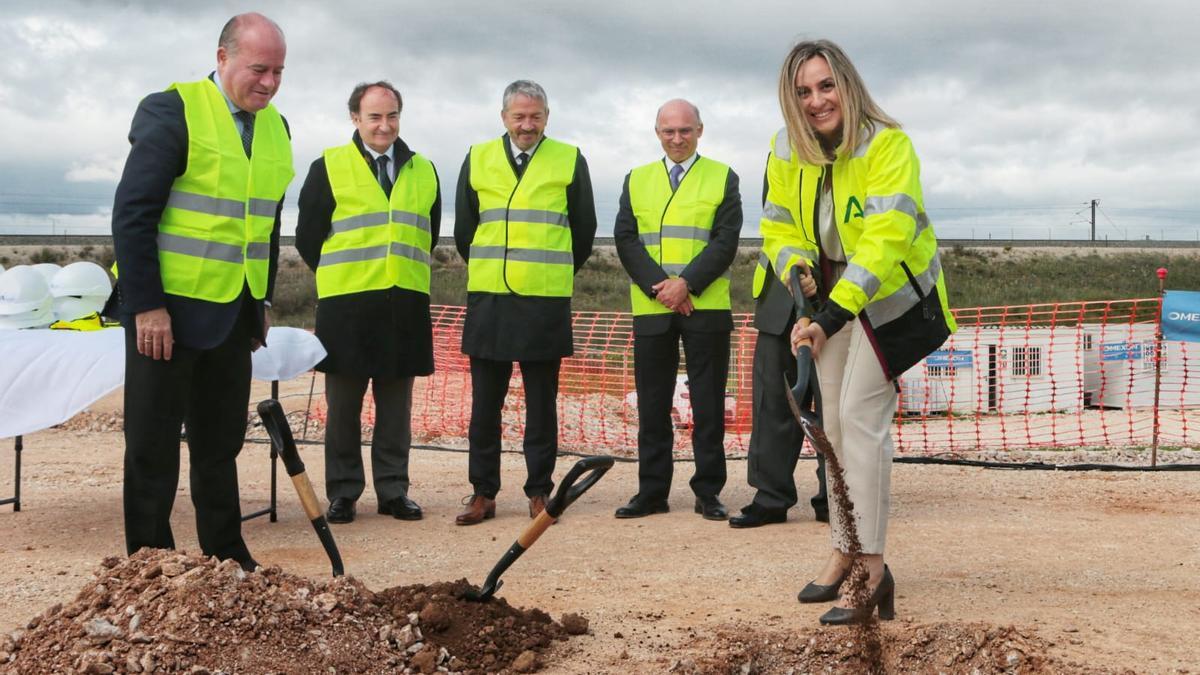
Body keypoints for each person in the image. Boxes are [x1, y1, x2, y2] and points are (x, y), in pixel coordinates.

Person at [759, 39, 955, 624]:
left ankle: (872, 568)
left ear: (847, 84)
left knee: (861, 422)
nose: (817, 101)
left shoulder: (886, 144)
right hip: (830, 298)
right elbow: (777, 224)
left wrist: (832, 315)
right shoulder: (784, 148)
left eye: (826, 86)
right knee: (835, 425)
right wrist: (795, 268)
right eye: (803, 91)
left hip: (889, 299)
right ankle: (844, 552)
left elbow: (886, 239)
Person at [111, 13, 293, 571]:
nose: (268, 82)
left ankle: (226, 553)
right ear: (222, 57)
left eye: (279, 72)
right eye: (258, 69)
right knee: (153, 447)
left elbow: (263, 224)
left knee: (220, 446)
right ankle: (149, 564)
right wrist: (146, 305)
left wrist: (259, 300)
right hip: (166, 315)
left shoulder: (276, 128)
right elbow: (132, 214)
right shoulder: (173, 110)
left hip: (233, 315)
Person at [295, 81, 440, 524]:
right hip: (348, 307)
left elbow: (427, 234)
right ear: (355, 119)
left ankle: (394, 491)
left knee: (396, 410)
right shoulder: (329, 166)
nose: (384, 125)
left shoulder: (425, 169)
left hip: (404, 304)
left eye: (392, 115)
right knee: (343, 409)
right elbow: (308, 238)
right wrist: (346, 276)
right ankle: (343, 492)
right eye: (374, 116)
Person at [453, 80, 597, 525]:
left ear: (547, 118)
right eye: (519, 117)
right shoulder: (477, 157)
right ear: (504, 118)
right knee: (484, 406)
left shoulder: (570, 159)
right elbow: (465, 229)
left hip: (544, 302)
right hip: (490, 299)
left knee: (541, 404)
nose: (527, 125)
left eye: (535, 117)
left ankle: (540, 492)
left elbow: (584, 230)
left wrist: (546, 273)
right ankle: (483, 493)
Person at [612, 99, 741, 521]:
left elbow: (725, 241)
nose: (677, 138)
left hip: (706, 306)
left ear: (700, 131)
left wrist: (686, 284)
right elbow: (626, 240)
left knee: (707, 404)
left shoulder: (723, 177)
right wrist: (663, 289)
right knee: (652, 405)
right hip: (652, 308)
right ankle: (652, 491)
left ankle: (708, 492)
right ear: (657, 133)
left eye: (685, 130)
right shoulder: (637, 179)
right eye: (669, 131)